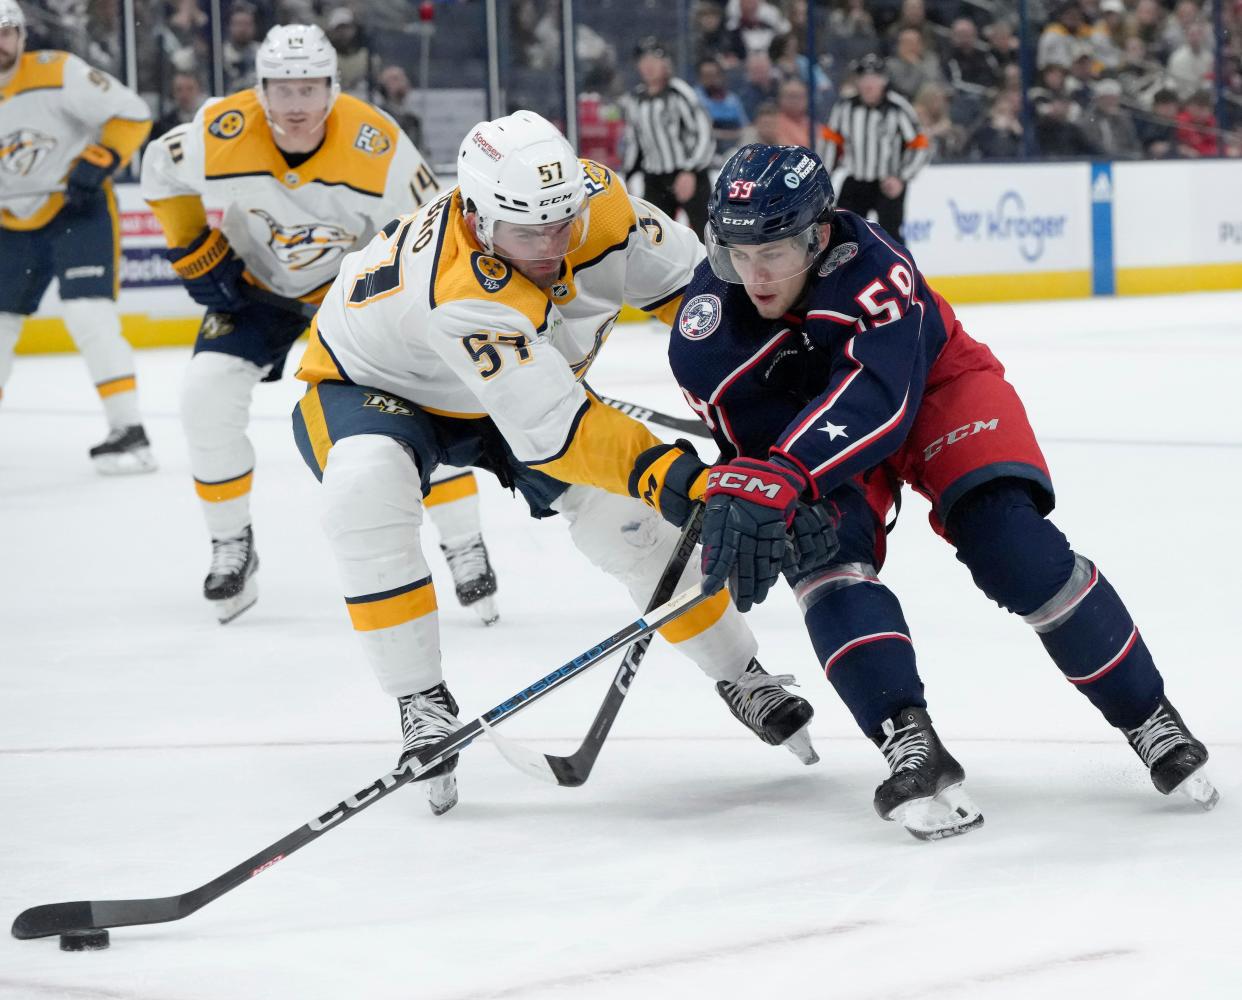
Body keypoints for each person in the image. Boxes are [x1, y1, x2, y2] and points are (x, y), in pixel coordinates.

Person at [637, 143, 1218, 839]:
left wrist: (787, 474)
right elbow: (754, 452)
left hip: (935, 383)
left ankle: (1148, 715)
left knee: (1013, 547)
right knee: (822, 559)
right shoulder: (703, 339)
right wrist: (755, 492)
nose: (754, 274)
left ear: (820, 236)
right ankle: (908, 740)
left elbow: (882, 397)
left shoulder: (873, 263)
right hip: (814, 432)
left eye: (776, 252)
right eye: (736, 253)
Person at [291, 111, 822, 816]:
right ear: (477, 218)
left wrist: (768, 410)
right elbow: (558, 429)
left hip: (519, 386)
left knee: (629, 527)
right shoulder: (460, 289)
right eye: (526, 231)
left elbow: (712, 306)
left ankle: (741, 674)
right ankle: (422, 701)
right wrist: (680, 477)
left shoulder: (604, 211)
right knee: (364, 490)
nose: (550, 246)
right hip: (374, 386)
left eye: (560, 222)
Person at [140, 24, 487, 625]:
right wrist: (191, 244)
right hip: (258, 287)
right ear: (259, 90)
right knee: (203, 393)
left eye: (309, 88)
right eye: (281, 90)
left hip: (354, 296)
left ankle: (463, 542)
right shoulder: (222, 127)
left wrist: (427, 319)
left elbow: (434, 233)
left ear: (333, 88)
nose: (295, 105)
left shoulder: (377, 143)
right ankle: (232, 544)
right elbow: (158, 167)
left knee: (424, 403)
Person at [0, 0, 156, 473]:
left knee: (90, 314)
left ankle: (129, 430)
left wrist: (103, 158)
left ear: (22, 35)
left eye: (6, 32)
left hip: (77, 210)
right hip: (10, 221)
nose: (0, 43)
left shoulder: (58, 71)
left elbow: (133, 114)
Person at [819, 54, 928, 242]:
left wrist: (901, 178)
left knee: (891, 238)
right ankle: (846, 272)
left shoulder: (898, 107)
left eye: (874, 78)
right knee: (843, 235)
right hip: (856, 181)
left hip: (888, 183)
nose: (869, 84)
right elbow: (831, 145)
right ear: (857, 81)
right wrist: (823, 179)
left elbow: (919, 145)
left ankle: (896, 271)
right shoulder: (844, 107)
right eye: (864, 78)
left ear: (884, 80)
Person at [620, 38, 714, 236]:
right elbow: (636, 143)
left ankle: (710, 267)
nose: (649, 67)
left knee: (705, 234)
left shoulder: (680, 93)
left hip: (688, 173)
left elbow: (704, 133)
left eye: (654, 60)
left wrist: (691, 170)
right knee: (655, 237)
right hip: (654, 178)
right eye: (644, 61)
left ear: (666, 64)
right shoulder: (635, 100)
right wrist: (627, 176)